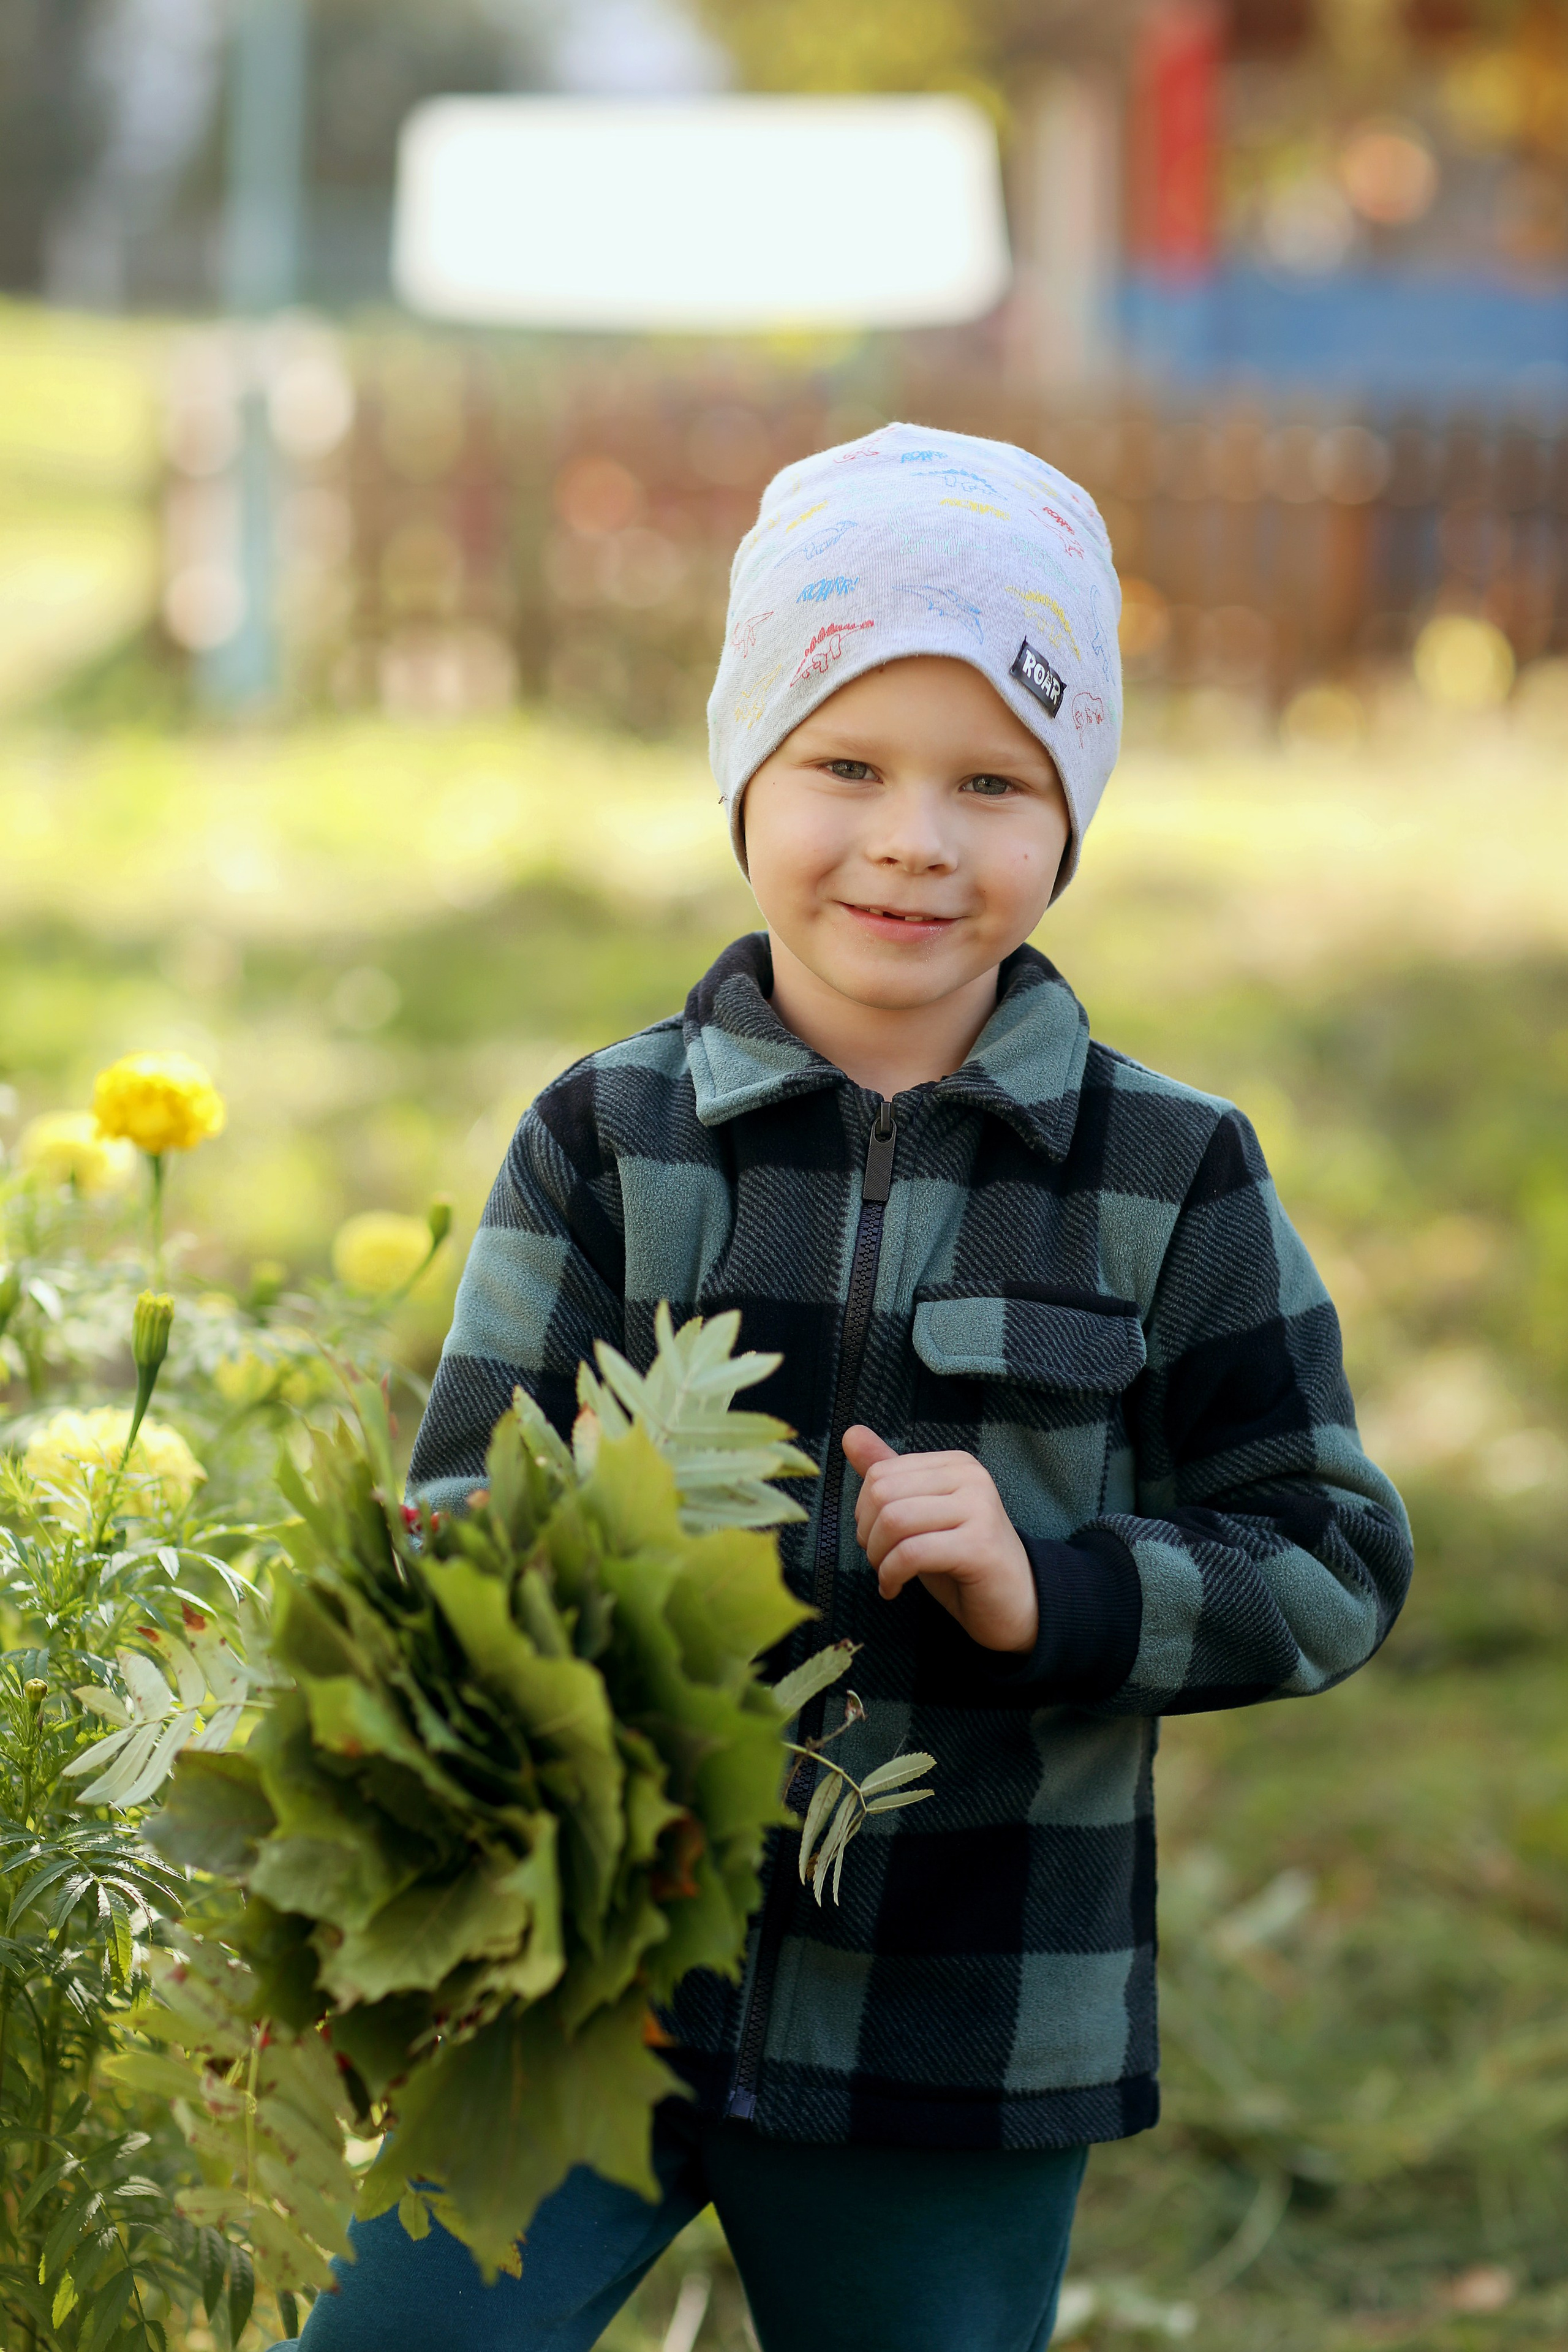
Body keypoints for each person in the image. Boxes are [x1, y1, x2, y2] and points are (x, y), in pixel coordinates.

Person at [290, 424, 1412, 2352]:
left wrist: (1057, 1588)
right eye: (847, 765)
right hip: (584, 1987)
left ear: (1071, 820)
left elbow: (1330, 1555)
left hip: (961, 2018)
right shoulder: (608, 1136)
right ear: (745, 780)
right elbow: (460, 1514)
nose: (913, 837)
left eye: (993, 781)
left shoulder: (1168, 1174)